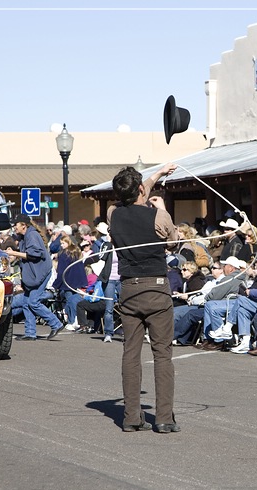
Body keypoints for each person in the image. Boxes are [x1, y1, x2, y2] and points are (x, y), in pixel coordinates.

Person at [107, 163, 180, 434]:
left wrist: (158, 175)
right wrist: (161, 208)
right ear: (140, 190)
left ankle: (131, 417)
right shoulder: (158, 217)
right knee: (162, 354)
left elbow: (135, 194)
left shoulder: (113, 213)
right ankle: (163, 418)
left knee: (131, 353)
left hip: (129, 289)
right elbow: (173, 243)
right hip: (156, 288)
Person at [5, 214, 64, 341]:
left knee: (33, 302)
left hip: (41, 274)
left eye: (16, 224)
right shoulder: (24, 237)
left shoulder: (32, 235)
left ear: (23, 225)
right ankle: (30, 333)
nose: (14, 227)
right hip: (33, 275)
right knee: (26, 302)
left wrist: (13, 253)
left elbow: (33, 255)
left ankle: (56, 323)